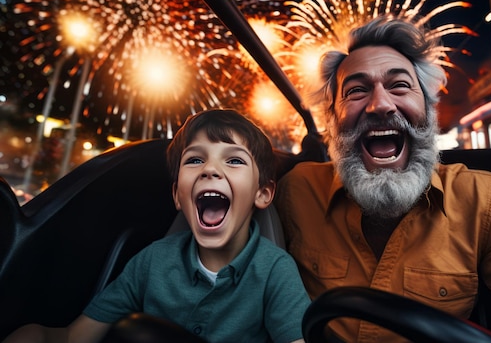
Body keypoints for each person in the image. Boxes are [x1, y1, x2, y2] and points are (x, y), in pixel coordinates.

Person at [274, 15, 491, 343]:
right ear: (332, 121)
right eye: (355, 91)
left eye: (399, 86)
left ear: (429, 111)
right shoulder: (295, 190)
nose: (380, 105)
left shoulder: (487, 200)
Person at [4, 109, 310, 343]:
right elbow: (77, 336)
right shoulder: (151, 261)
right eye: (194, 161)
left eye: (233, 161)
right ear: (178, 195)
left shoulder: (275, 271)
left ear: (262, 193)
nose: (210, 170)